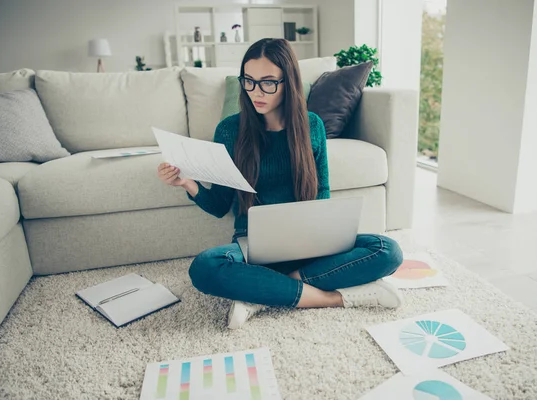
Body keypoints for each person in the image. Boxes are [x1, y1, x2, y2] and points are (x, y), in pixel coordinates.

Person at [157, 38, 404, 330]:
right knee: (206, 267)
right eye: (248, 81)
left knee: (388, 251)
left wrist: (324, 235)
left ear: (289, 82)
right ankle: (333, 298)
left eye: (267, 83)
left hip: (309, 243)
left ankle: (260, 294)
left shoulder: (312, 126)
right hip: (252, 248)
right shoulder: (229, 130)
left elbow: (321, 193)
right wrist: (187, 183)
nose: (255, 92)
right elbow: (220, 205)